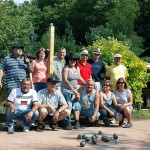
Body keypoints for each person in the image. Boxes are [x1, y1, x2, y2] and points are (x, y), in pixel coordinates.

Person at [61, 53, 86, 130]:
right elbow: (65, 80)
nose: (73, 61)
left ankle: (76, 122)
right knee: (69, 105)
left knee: (76, 105)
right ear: (68, 60)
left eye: (74, 60)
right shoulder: (66, 68)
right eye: (71, 59)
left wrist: (87, 84)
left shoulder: (77, 68)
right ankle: (66, 122)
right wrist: (74, 91)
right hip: (66, 90)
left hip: (75, 90)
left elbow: (79, 78)